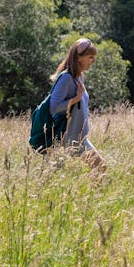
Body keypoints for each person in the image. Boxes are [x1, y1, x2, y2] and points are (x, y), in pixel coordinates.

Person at [49, 38, 107, 171]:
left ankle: (94, 192)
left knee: (100, 168)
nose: (93, 61)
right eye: (90, 57)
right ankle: (96, 192)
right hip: (70, 138)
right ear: (79, 58)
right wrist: (76, 98)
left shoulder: (78, 77)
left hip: (79, 136)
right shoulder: (66, 78)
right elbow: (54, 107)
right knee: (101, 167)